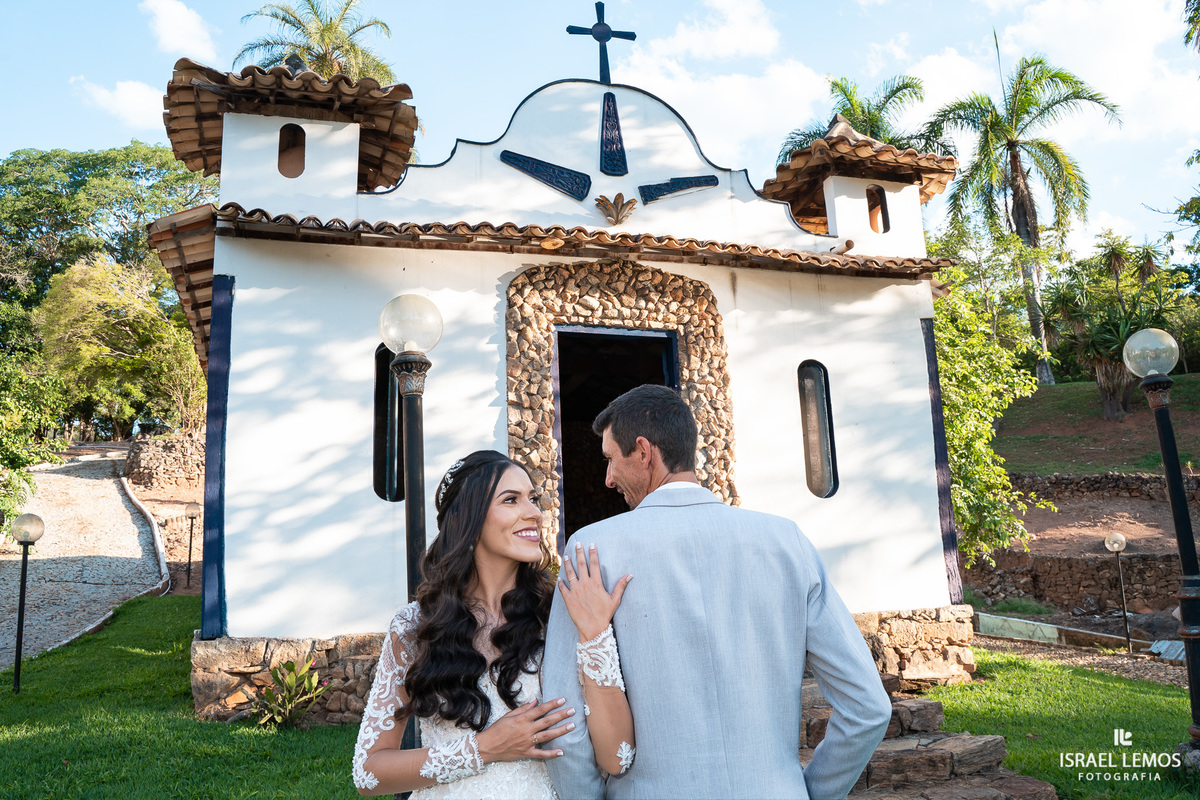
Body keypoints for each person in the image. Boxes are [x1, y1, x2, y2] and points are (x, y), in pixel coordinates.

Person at [543, 385, 893, 800]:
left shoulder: (591, 551)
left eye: (610, 460)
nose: (607, 478)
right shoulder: (786, 542)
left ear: (642, 451)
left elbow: (562, 723)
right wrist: (809, 793)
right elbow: (869, 708)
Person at [352, 450, 636, 798]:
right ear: (469, 520)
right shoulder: (414, 627)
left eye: (532, 499)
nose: (534, 512)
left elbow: (617, 758)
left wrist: (596, 636)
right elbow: (369, 773)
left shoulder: (560, 615)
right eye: (511, 500)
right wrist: (484, 748)